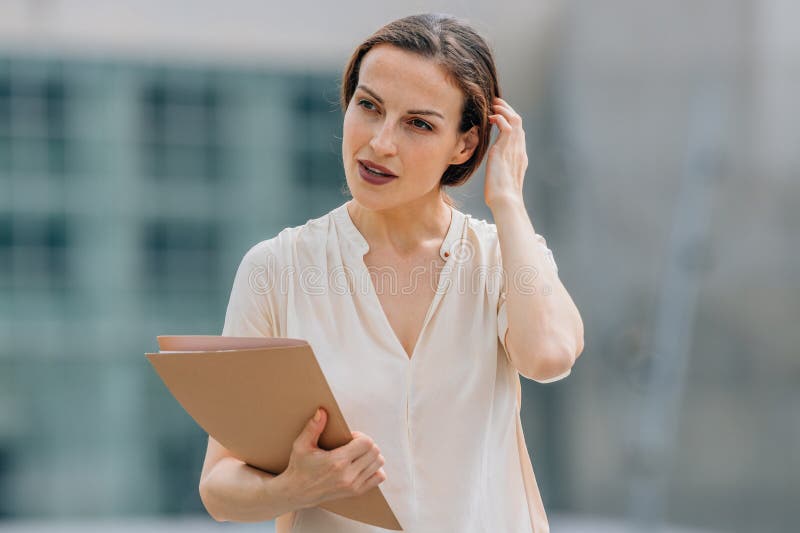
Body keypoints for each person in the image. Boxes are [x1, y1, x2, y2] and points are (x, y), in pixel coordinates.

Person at [198, 12, 584, 533]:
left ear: (465, 145)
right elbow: (220, 487)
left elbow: (548, 355)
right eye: (369, 106)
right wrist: (293, 486)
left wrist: (509, 201)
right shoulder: (278, 269)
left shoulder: (503, 257)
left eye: (419, 123)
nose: (380, 142)